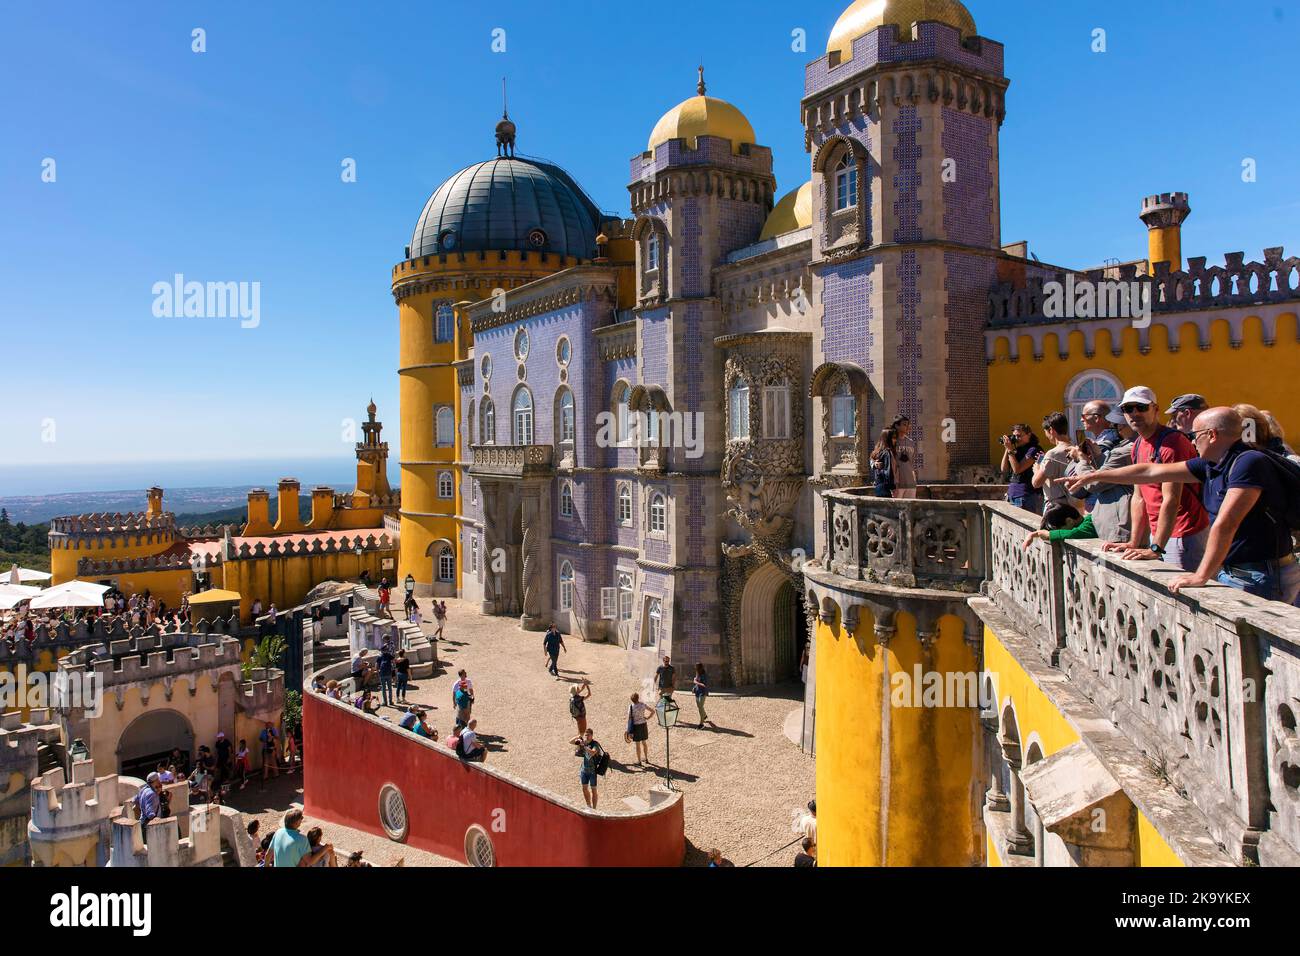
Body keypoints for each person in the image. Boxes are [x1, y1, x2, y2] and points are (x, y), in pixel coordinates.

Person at [1068, 406, 1300, 604]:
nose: (1191, 440)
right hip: (1238, 571)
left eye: (1194, 434)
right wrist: (1094, 476)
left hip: (1262, 574)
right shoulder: (1212, 463)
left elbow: (1226, 523)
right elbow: (1150, 471)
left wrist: (1200, 576)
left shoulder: (1248, 462)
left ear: (1211, 435)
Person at [1095, 386, 1209, 570]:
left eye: (1141, 407)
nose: (1134, 413)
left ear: (1155, 409)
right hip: (1160, 536)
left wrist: (1157, 547)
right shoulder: (1138, 444)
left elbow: (1171, 499)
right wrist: (1134, 541)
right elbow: (1139, 497)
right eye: (1128, 409)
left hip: (1184, 534)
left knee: (1181, 595)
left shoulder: (1172, 442)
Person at [1031, 411, 1082, 516]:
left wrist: (1037, 468)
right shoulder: (1076, 449)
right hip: (1075, 505)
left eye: (1046, 432)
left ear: (1051, 430)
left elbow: (1036, 483)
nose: (1046, 436)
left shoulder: (1053, 454)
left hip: (1056, 506)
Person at [267, 809, 332, 868]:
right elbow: (310, 861)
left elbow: (268, 855)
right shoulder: (301, 839)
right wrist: (325, 848)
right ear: (296, 823)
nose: (302, 819)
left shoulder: (278, 832)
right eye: (301, 818)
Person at [1000, 424, 1043, 513]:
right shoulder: (1015, 450)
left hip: (1025, 495)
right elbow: (1004, 470)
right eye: (1014, 436)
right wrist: (1007, 449)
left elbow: (1017, 470)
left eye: (1019, 436)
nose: (1016, 439)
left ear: (1029, 435)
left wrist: (1010, 451)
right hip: (1012, 494)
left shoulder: (1034, 450)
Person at [1021, 505, 1095, 549]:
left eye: (1056, 530)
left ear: (1069, 521)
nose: (1055, 532)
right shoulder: (1085, 522)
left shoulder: (1090, 523)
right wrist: (1035, 534)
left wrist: (1049, 535)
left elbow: (1074, 533)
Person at [571, 729, 605, 809]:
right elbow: (570, 741)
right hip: (584, 770)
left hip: (592, 771)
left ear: (592, 735)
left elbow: (593, 752)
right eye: (585, 735)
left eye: (588, 735)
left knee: (594, 790)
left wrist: (584, 746)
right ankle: (588, 806)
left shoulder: (595, 744)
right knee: (584, 788)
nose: (586, 736)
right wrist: (578, 737)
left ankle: (594, 808)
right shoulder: (584, 742)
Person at [1080, 399, 1120, 464]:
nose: (1081, 420)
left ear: (1096, 418)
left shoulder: (1109, 442)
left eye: (1083, 416)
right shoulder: (1113, 436)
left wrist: (1079, 456)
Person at [891, 415, 918, 498]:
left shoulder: (911, 442)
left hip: (911, 483)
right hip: (897, 484)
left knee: (910, 509)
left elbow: (912, 463)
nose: (908, 427)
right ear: (897, 425)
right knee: (896, 509)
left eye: (908, 424)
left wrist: (914, 480)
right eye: (905, 424)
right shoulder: (891, 442)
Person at [625, 692, 654, 765]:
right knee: (644, 743)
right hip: (643, 725)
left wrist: (627, 729)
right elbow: (652, 711)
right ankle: (646, 758)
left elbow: (629, 718)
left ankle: (639, 761)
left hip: (636, 727)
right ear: (638, 698)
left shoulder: (631, 707)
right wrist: (648, 717)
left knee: (637, 745)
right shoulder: (642, 705)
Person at [869, 427, 898, 498]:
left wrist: (874, 465)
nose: (895, 440)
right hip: (886, 488)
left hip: (879, 486)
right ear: (887, 439)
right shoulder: (887, 452)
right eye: (893, 438)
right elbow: (889, 472)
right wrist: (893, 487)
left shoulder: (878, 451)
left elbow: (871, 460)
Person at [135, 773, 163, 843]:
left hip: (142, 823)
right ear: (156, 781)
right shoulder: (152, 794)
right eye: (158, 779)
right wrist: (157, 820)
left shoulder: (143, 789)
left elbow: (135, 800)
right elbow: (150, 813)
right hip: (149, 828)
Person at [259, 722, 280, 786]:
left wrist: (271, 737)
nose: (267, 726)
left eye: (269, 725)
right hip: (265, 748)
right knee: (266, 762)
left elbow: (277, 738)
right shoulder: (263, 731)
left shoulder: (274, 730)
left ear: (271, 725)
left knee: (273, 761)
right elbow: (260, 738)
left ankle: (276, 774)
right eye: (266, 725)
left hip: (272, 748)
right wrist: (263, 739)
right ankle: (265, 776)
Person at [691, 663, 711, 728]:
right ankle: (704, 715)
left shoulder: (704, 675)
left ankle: (701, 723)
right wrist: (694, 687)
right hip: (697, 691)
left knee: (700, 707)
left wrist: (695, 682)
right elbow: (696, 680)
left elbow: (704, 684)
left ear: (700, 668)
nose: (695, 668)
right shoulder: (697, 673)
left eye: (696, 667)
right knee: (699, 706)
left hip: (703, 692)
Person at [377, 641, 395, 707]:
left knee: (384, 689)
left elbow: (377, 665)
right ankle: (390, 701)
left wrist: (378, 672)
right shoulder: (389, 655)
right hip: (389, 673)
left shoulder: (379, 657)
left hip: (382, 674)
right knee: (390, 688)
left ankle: (385, 702)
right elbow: (393, 662)